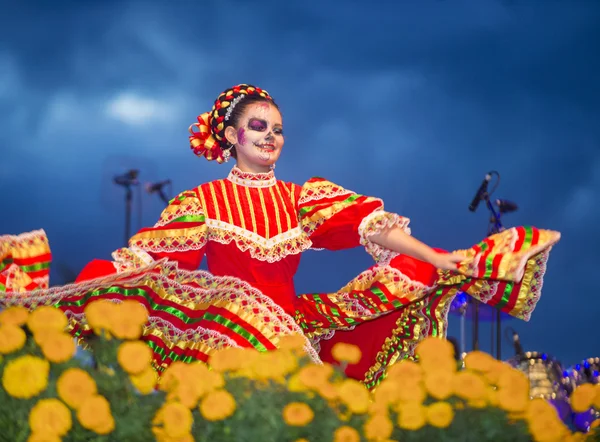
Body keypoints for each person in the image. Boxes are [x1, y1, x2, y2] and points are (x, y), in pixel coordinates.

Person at [0, 84, 560, 387]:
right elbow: (145, 259)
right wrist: (75, 291)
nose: (271, 137)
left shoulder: (300, 196)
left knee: (412, 272)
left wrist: (442, 257)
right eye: (259, 126)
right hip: (225, 332)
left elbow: (373, 228)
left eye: (279, 129)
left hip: (293, 327)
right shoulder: (202, 202)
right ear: (232, 135)